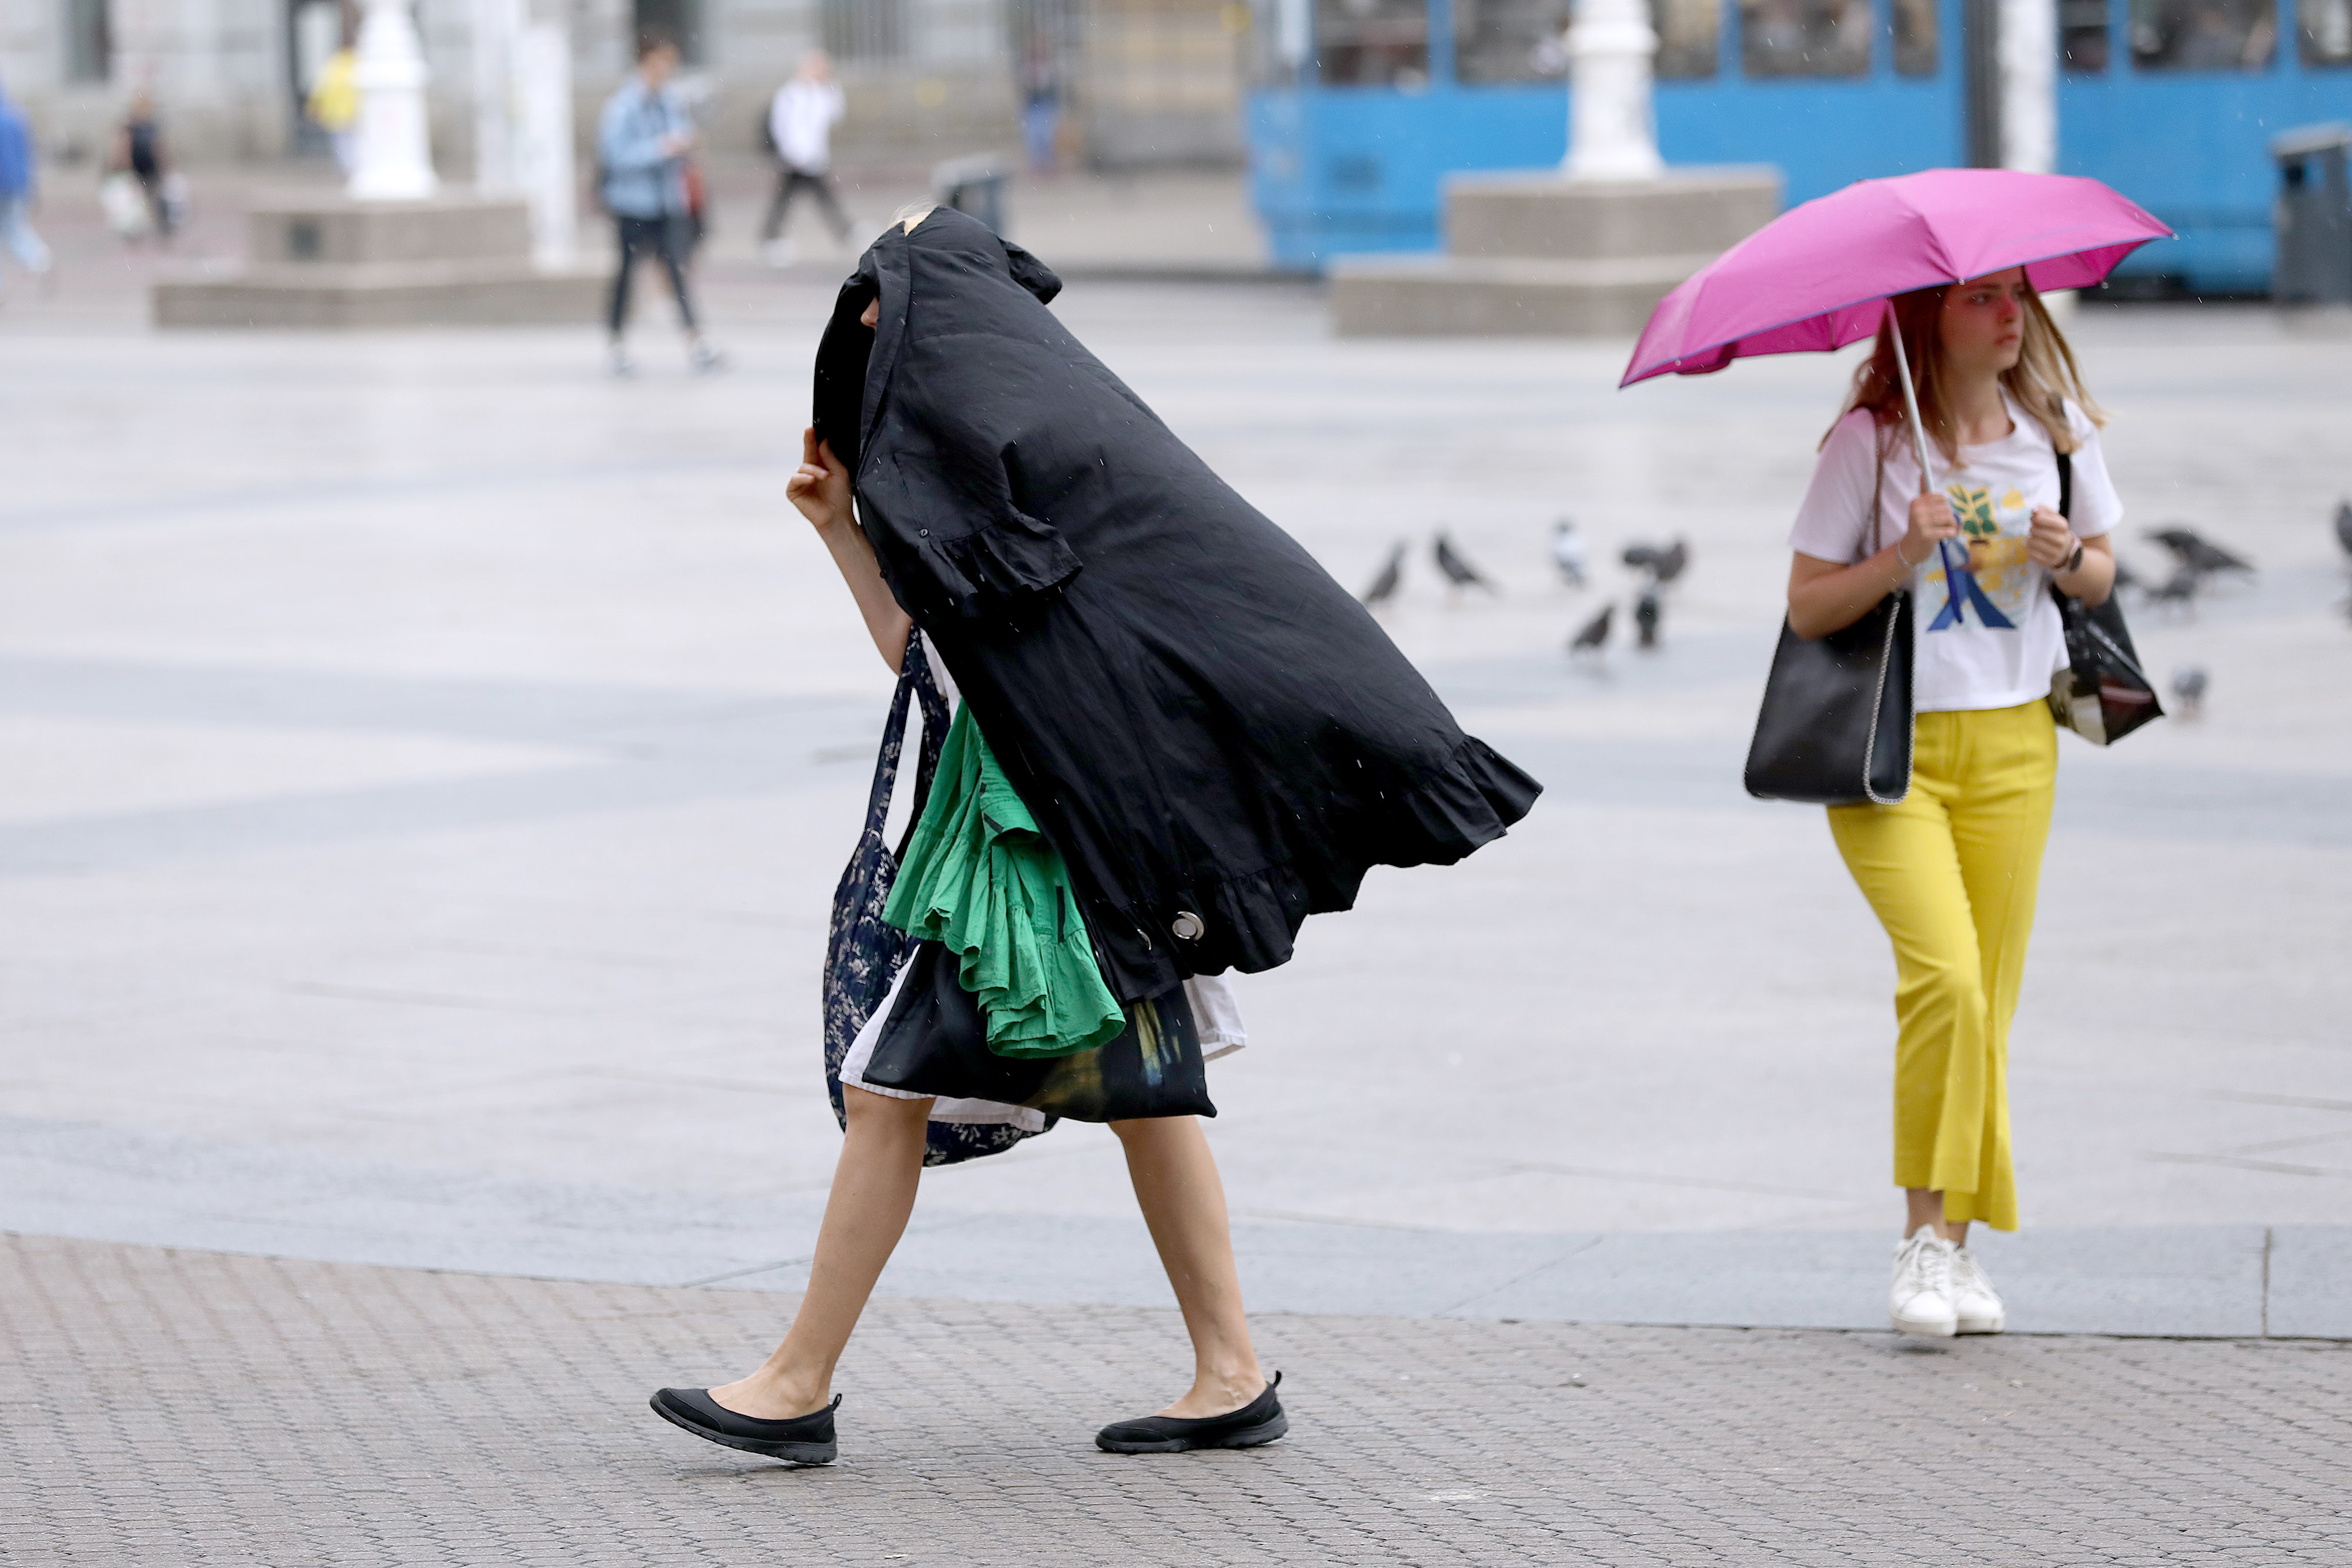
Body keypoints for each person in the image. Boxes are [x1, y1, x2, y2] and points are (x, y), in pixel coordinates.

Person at [647, 208, 1539, 1464]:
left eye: (879, 312)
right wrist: (844, 532)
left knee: (891, 1088)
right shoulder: (1004, 481)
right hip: (1070, 849)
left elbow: (1047, 661)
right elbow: (939, 672)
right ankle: (1227, 1366)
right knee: (1145, 1094)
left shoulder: (1040, 486)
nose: (865, 334)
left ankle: (797, 1381)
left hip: (1042, 862)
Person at [1783, 269, 2119, 1339]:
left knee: (1994, 1001)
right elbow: (1804, 607)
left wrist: (2072, 560)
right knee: (1949, 983)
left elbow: (2105, 575)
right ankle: (1923, 1243)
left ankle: (1958, 1256)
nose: (2011, 315)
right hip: (1892, 754)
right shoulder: (1874, 443)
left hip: (2020, 741)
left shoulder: (2054, 433)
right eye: (1982, 298)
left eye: (2018, 296)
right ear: (1929, 316)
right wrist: (1901, 555)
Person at [596, 35, 721, 376]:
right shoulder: (623, 106)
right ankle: (616, 343)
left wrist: (684, 145)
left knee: (676, 272)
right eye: (661, 62)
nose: (666, 70)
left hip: (666, 203)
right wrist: (661, 149)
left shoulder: (669, 101)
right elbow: (614, 156)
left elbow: (682, 137)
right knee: (627, 273)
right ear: (645, 61)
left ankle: (697, 341)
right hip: (633, 204)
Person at [760, 51, 850, 265]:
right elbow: (781, 126)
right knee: (792, 199)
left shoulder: (822, 93)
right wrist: (790, 152)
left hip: (814, 158)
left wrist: (830, 84)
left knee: (806, 198)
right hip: (794, 158)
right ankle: (770, 239)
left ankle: (771, 238)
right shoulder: (790, 94)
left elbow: (837, 114)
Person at [0, 76, 52, 300]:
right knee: (16, 226)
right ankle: (39, 259)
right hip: (19, 183)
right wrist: (32, 185)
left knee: (12, 227)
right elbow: (29, 154)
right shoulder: (17, 116)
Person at [113, 90, 178, 241]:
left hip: (151, 168)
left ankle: (163, 228)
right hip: (135, 168)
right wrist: (122, 166)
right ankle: (133, 231)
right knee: (133, 202)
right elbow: (123, 147)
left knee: (157, 198)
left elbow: (160, 146)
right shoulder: (129, 126)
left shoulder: (153, 126)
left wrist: (166, 163)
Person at [306, 43, 360, 174]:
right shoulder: (357, 66)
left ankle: (347, 167)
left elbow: (320, 89)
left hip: (336, 112)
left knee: (341, 142)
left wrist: (312, 108)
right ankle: (354, 165)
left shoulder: (332, 67)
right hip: (354, 112)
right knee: (354, 140)